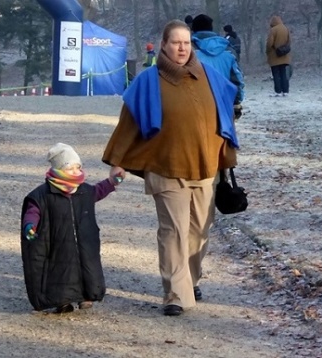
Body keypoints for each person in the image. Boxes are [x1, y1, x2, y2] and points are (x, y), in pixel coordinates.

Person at [102, 19, 239, 317]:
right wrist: (118, 161)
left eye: (186, 43)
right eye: (176, 42)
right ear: (163, 44)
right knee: (173, 230)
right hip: (165, 166)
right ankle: (176, 294)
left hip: (205, 168)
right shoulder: (149, 80)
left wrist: (226, 153)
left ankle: (191, 278)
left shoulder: (209, 76)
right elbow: (129, 122)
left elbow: (227, 110)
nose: (181, 48)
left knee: (199, 232)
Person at [20, 143, 124, 314]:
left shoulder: (83, 190)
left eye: (78, 167)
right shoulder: (44, 194)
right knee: (62, 272)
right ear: (59, 169)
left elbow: (99, 190)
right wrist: (30, 225)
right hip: (60, 243)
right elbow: (34, 210)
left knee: (87, 268)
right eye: (71, 168)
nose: (77, 172)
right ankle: (62, 301)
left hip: (83, 241)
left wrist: (114, 181)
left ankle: (86, 296)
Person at [191, 14, 245, 119]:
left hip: (196, 108)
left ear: (193, 29)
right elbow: (237, 79)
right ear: (211, 29)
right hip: (224, 105)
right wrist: (237, 101)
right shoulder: (228, 49)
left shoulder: (187, 50)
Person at [265, 15, 291, 97]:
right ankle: (285, 91)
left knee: (276, 74)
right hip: (284, 56)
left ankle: (278, 91)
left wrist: (268, 52)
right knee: (283, 74)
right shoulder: (285, 28)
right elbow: (289, 41)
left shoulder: (273, 30)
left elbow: (269, 44)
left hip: (274, 56)